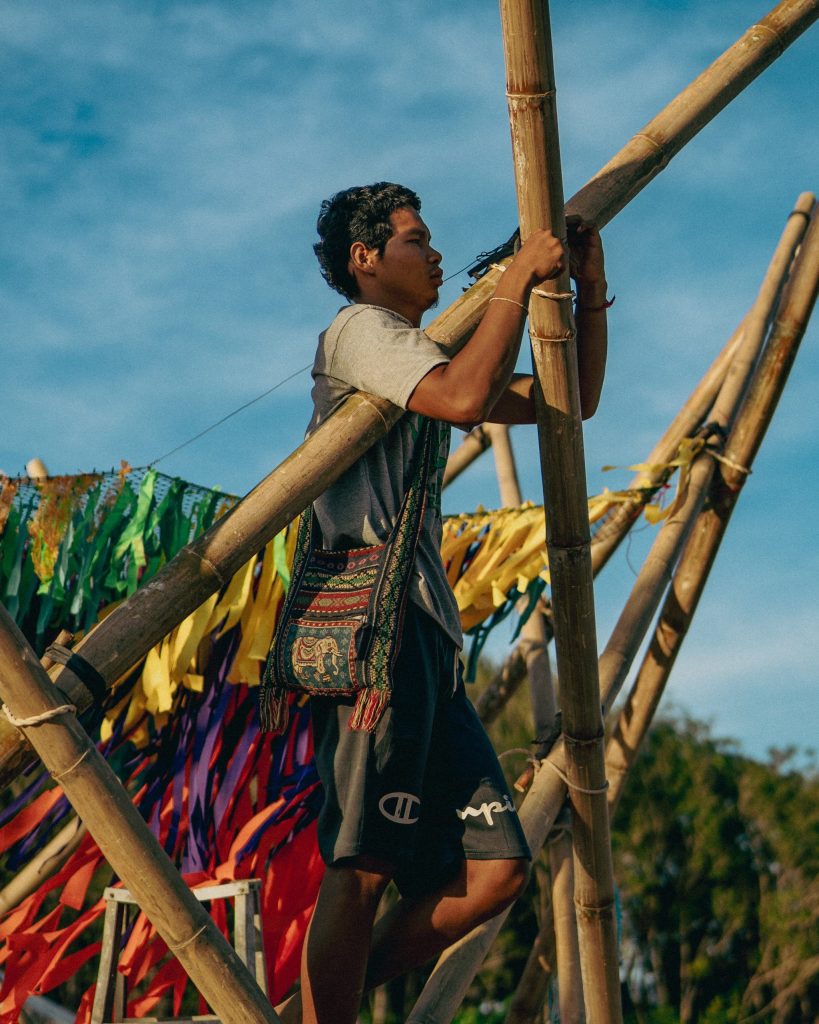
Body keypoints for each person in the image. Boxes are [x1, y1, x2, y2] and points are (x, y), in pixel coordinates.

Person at [277, 182, 608, 1024]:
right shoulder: (361, 332)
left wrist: (585, 287)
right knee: (363, 863)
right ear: (364, 259)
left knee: (494, 869)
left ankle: (314, 1007)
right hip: (372, 634)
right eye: (415, 241)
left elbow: (568, 400)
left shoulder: (424, 353)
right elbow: (464, 398)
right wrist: (514, 279)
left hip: (425, 639)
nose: (433, 256)